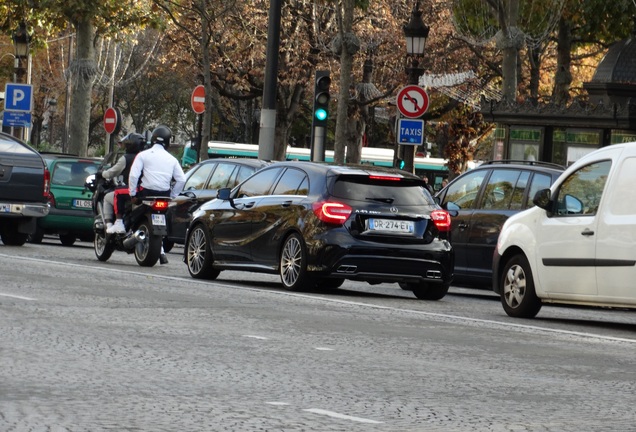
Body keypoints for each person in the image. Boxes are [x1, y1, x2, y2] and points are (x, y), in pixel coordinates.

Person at [95, 133, 143, 234]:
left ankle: (110, 225)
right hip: (145, 191)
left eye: (127, 144)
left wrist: (101, 173)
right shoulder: (145, 157)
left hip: (132, 190)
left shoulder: (126, 158)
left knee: (108, 197)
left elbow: (112, 172)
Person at [129, 124, 186, 202]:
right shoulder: (173, 160)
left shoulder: (142, 155)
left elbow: (133, 175)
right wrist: (172, 196)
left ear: (152, 138)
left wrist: (133, 194)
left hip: (146, 193)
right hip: (164, 195)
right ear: (168, 141)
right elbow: (182, 180)